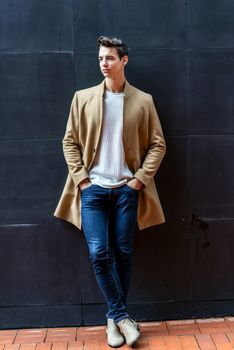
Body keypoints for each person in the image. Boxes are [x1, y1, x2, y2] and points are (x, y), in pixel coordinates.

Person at [54, 36, 166, 348]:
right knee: (99, 254)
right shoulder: (83, 98)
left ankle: (112, 321)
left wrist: (139, 180)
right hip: (93, 191)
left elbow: (158, 144)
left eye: (110, 58)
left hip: (127, 191)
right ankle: (121, 316)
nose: (104, 63)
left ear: (124, 60)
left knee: (124, 254)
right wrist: (82, 180)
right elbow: (69, 141)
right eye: (101, 58)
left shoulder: (143, 101)